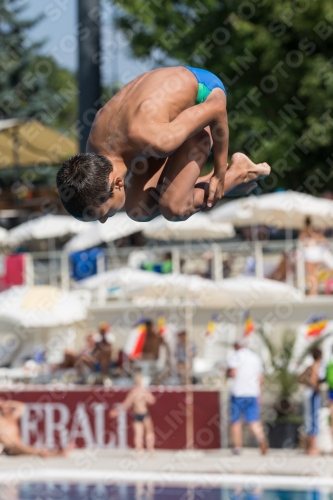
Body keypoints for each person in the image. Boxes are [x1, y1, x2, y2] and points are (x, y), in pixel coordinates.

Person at [56, 66, 270, 223]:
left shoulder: (157, 139)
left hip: (204, 93)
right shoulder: (94, 152)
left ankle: (238, 172)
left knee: (174, 208)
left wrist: (219, 172)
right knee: (138, 209)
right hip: (158, 114)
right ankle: (215, 184)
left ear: (118, 183)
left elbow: (217, 110)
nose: (104, 222)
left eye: (104, 214)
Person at [227, 341, 268, 455]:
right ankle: (261, 439)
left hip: (238, 393)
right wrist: (259, 393)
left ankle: (238, 447)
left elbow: (233, 373)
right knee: (253, 420)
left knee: (235, 420)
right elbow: (261, 377)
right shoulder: (255, 357)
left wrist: (226, 373)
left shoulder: (236, 356)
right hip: (253, 393)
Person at [0, 399, 73, 457]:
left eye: (6, 407)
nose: (6, 409)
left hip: (20, 446)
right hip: (10, 448)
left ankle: (57, 453)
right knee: (32, 450)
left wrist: (7, 402)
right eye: (3, 408)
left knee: (31, 449)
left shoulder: (12, 418)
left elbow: (22, 406)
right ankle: (57, 453)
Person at [109, 373, 156, 455]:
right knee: (149, 432)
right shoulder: (144, 392)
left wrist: (117, 411)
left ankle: (140, 450)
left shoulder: (133, 392)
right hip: (144, 413)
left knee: (139, 434)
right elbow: (152, 401)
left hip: (136, 414)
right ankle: (150, 449)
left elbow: (126, 404)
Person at [298, 347, 323, 455]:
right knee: (314, 419)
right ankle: (312, 448)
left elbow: (299, 378)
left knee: (308, 419)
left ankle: (307, 447)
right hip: (313, 394)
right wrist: (317, 388)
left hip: (307, 393)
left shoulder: (309, 366)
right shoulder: (317, 366)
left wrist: (306, 384)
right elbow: (313, 380)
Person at [299, 216, 328, 295]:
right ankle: (314, 290)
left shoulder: (305, 231)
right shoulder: (314, 232)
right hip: (316, 256)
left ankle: (313, 291)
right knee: (313, 274)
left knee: (311, 274)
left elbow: (302, 241)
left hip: (310, 256)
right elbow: (324, 241)